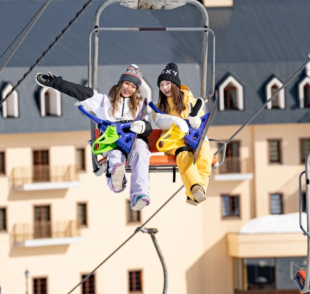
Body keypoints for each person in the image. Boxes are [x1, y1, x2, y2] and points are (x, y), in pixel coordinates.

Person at [35, 65, 152, 211]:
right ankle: (116, 179)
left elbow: (147, 126)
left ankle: (139, 195)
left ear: (136, 90)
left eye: (133, 86)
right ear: (121, 83)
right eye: (127, 83)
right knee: (115, 155)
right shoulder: (104, 102)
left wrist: (142, 127)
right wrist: (55, 83)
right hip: (113, 140)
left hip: (133, 140)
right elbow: (80, 92)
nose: (129, 88)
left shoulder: (140, 105)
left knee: (141, 151)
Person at [151, 63, 212, 205]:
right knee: (185, 155)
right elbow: (159, 120)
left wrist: (194, 119)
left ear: (176, 84)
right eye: (161, 85)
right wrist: (175, 120)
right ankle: (194, 188)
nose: (165, 88)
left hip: (194, 138)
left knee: (205, 155)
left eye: (168, 83)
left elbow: (199, 124)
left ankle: (197, 192)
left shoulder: (192, 102)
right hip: (174, 142)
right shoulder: (160, 106)